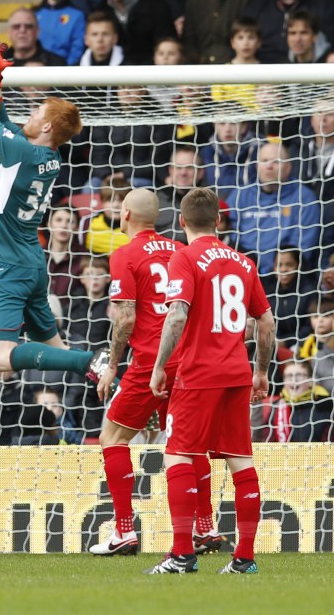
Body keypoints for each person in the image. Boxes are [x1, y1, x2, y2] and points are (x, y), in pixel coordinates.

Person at [149, 186, 275, 574]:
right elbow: (266, 324)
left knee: (178, 454)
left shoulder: (184, 257)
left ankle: (182, 554)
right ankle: (245, 559)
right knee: (240, 461)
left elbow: (176, 316)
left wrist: (158, 367)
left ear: (182, 221)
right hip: (237, 374)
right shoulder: (244, 262)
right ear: (218, 221)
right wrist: (261, 371)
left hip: (198, 374)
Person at [89, 188, 221, 556]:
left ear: (126, 214)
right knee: (188, 446)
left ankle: (125, 532)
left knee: (112, 438)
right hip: (189, 362)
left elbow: (126, 316)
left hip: (150, 362)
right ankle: (205, 528)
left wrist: (113, 365)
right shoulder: (181, 251)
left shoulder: (125, 255)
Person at [0, 39, 100, 381]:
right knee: (55, 349)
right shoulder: (46, 156)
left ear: (48, 127)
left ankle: (89, 361)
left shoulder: (22, 153)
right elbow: (6, 125)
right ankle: (107, 381)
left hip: (9, 265)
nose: (32, 114)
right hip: (31, 263)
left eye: (37, 112)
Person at [229, 141, 321, 275]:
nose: (269, 167)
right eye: (264, 161)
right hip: (242, 272)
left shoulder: (304, 198)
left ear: (288, 167)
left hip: (285, 278)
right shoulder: (240, 195)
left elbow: (302, 247)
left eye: (276, 162)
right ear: (256, 166)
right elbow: (229, 234)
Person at [180, 0, 248, 65]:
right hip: (200, 65)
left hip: (234, 65)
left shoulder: (242, 1)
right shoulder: (194, 2)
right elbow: (188, 39)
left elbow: (249, 31)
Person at [36, 0, 86, 65]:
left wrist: (65, 70)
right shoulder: (35, 13)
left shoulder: (77, 15)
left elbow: (77, 48)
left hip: (64, 69)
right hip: (36, 67)